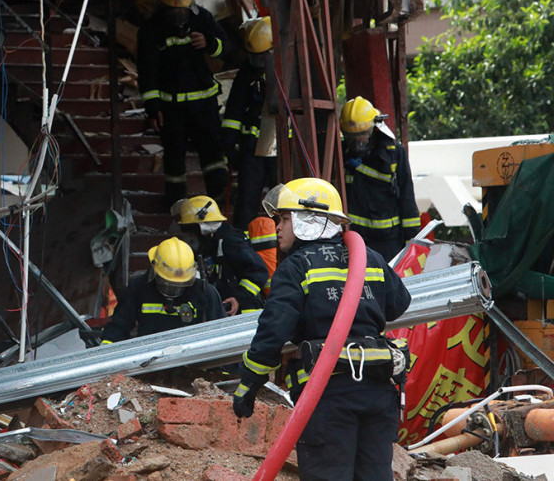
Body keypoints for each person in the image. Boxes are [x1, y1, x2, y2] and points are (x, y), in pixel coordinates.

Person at [233, 178, 411, 481]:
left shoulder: (296, 267)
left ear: (309, 219)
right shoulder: (369, 257)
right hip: (379, 393)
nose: (277, 227)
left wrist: (247, 386)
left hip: (328, 397)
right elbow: (398, 303)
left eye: (285, 219)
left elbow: (272, 333)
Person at [138, 0, 233, 207]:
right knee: (174, 159)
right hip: (171, 108)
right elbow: (146, 71)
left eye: (182, 11)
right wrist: (153, 109)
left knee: (213, 156)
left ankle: (219, 201)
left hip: (204, 105)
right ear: (163, 7)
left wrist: (209, 43)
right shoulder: (151, 29)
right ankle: (176, 205)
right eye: (173, 12)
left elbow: (225, 47)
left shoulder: (203, 19)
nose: (179, 17)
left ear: (191, 4)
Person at [100, 237, 225, 343]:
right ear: (155, 271)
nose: (174, 288)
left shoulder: (205, 293)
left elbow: (221, 335)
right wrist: (106, 353)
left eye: (182, 284)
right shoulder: (139, 287)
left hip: (192, 361)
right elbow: (119, 326)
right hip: (149, 361)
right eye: (168, 283)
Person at [341, 96, 420, 259]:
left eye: (362, 135)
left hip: (389, 241)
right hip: (356, 239)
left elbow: (407, 198)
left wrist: (412, 240)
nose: (357, 142)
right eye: (351, 137)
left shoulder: (393, 153)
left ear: (374, 128)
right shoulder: (342, 155)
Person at [221, 17, 277, 229]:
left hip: (280, 149)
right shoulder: (247, 73)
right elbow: (235, 108)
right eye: (253, 57)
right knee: (247, 200)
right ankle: (243, 242)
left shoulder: (287, 71)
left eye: (261, 57)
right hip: (252, 149)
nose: (257, 62)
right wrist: (229, 142)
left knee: (282, 200)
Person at [170, 196, 267, 315]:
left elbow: (259, 271)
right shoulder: (210, 244)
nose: (188, 235)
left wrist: (238, 297)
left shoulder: (229, 241)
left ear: (201, 227)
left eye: (189, 229)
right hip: (225, 312)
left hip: (244, 313)